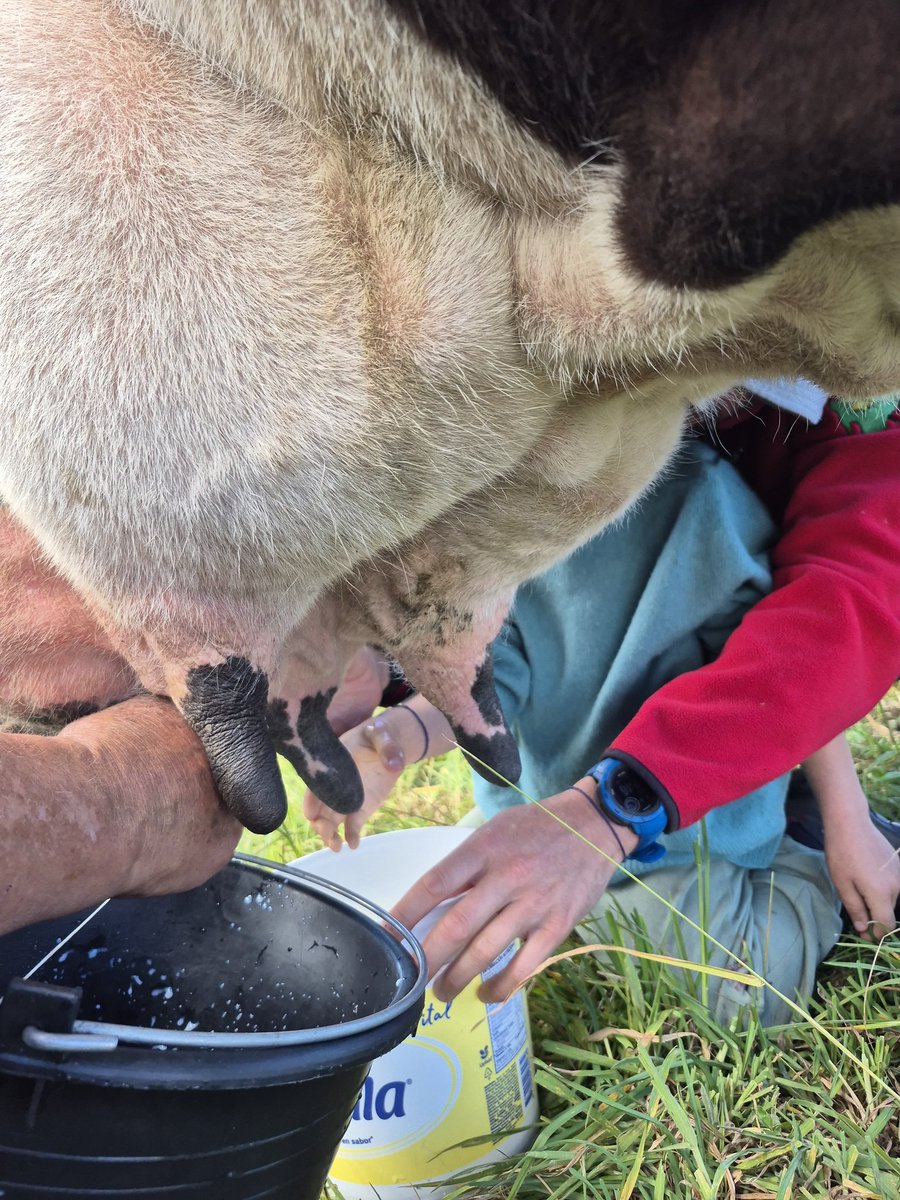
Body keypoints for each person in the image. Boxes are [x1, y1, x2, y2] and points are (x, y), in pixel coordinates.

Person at [305, 390, 900, 1026]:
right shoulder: (512, 515)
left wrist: (847, 820)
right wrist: (393, 739)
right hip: (535, 820)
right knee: (439, 923)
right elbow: (491, 679)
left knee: (740, 998)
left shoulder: (712, 509)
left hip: (682, 839)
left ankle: (798, 858)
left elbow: (788, 673)